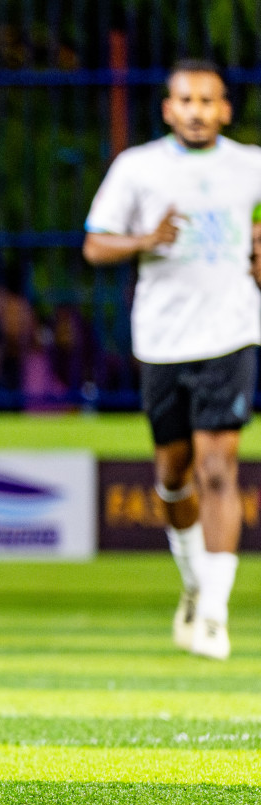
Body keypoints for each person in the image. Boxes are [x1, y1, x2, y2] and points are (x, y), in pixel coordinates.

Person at [83, 59, 261, 661]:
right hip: (162, 341)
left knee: (219, 466)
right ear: (167, 109)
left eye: (207, 101)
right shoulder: (139, 168)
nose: (196, 110)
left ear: (224, 110)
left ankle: (214, 613)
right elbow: (94, 243)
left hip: (232, 336)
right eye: (185, 99)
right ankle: (193, 585)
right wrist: (145, 240)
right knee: (173, 475)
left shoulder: (249, 166)